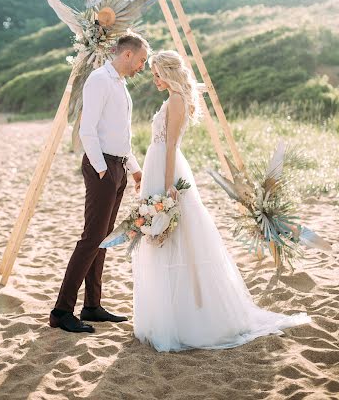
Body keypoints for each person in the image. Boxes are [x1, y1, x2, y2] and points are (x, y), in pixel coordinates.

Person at [132, 50, 310, 352]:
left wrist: (166, 188)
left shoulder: (176, 99)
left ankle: (186, 317)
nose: (154, 79)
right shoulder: (176, 97)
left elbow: (171, 144)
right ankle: (171, 314)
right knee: (165, 238)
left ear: (167, 72)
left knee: (176, 238)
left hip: (167, 171)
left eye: (157, 73)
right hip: (158, 166)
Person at [50, 33, 149, 333]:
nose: (142, 67)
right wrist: (103, 170)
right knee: (91, 238)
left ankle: (92, 305)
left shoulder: (119, 83)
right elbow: (87, 129)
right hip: (102, 167)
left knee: (104, 239)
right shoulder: (99, 80)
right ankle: (61, 310)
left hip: (117, 167)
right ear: (127, 54)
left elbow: (121, 134)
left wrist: (133, 169)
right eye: (142, 60)